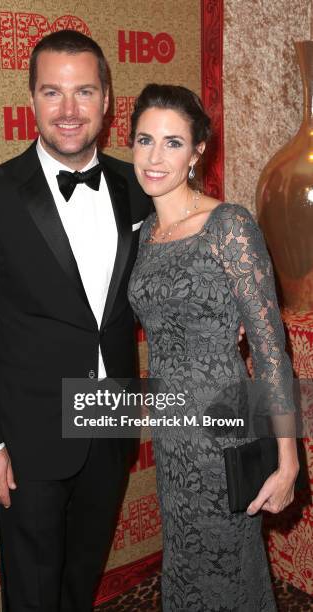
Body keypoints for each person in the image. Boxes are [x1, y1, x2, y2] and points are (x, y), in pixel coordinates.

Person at [0, 31, 151, 611]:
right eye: (52, 92)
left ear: (108, 100)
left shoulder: (137, 186)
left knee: (79, 583)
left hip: (111, 426)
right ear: (31, 99)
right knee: (32, 593)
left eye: (83, 91)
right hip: (25, 440)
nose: (68, 109)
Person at [127, 84, 299, 611]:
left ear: (198, 151)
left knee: (226, 567)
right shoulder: (147, 235)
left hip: (222, 430)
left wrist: (288, 459)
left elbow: (270, 348)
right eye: (144, 140)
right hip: (172, 432)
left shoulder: (229, 226)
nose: (155, 157)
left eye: (173, 143)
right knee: (185, 561)